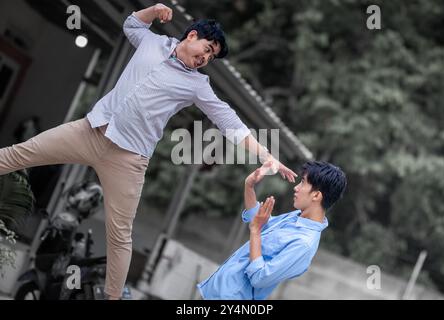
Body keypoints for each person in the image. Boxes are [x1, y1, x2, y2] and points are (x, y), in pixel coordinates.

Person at [0, 3, 297, 300]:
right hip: (90, 132)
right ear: (191, 36)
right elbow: (131, 24)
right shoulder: (152, 42)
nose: (205, 58)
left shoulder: (197, 84)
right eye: (206, 48)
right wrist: (154, 10)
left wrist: (265, 155)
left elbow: (229, 121)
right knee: (17, 154)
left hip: (127, 160)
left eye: (211, 57)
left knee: (119, 236)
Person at [197, 160, 347, 300]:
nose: (296, 187)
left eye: (302, 182)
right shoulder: (295, 217)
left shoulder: (304, 244)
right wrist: (249, 186)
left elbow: (259, 278)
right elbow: (259, 222)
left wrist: (255, 230)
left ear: (316, 195)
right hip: (214, 292)